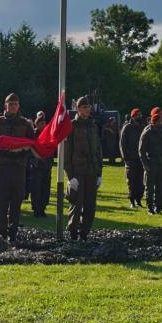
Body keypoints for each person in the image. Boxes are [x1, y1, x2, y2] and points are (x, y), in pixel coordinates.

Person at [0, 93, 34, 242]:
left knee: (17, 199)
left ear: (19, 106)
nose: (13, 106)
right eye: (10, 104)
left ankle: (13, 232)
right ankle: (1, 231)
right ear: (5, 105)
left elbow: (33, 145)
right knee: (0, 199)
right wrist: (2, 149)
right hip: (2, 166)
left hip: (18, 166)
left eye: (15, 104)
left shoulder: (25, 124)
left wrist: (21, 151)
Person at [64, 96, 103, 240]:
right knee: (76, 204)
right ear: (78, 109)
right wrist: (70, 176)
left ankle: (84, 233)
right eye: (84, 107)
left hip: (91, 171)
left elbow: (98, 151)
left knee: (90, 206)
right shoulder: (71, 126)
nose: (88, 109)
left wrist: (99, 173)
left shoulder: (93, 126)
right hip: (78, 172)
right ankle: (73, 233)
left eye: (88, 107)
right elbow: (67, 154)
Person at [138, 107, 162, 215]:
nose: (160, 123)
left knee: (161, 187)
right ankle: (150, 207)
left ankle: (158, 206)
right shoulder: (147, 133)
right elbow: (141, 151)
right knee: (149, 187)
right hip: (151, 162)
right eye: (158, 121)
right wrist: (145, 164)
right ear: (153, 122)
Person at [119, 109, 145, 208]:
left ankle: (139, 200)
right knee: (131, 180)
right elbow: (122, 143)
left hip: (141, 158)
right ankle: (132, 200)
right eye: (137, 115)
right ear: (133, 116)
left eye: (140, 114)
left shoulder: (142, 127)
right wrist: (125, 157)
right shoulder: (127, 127)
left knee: (141, 181)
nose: (139, 116)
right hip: (131, 158)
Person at [29, 113, 53, 218]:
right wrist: (36, 161)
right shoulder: (33, 135)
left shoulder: (49, 134)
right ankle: (36, 209)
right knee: (36, 189)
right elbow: (30, 149)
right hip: (36, 166)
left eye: (44, 123)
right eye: (41, 123)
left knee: (45, 189)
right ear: (36, 124)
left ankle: (42, 208)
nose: (43, 125)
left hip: (46, 165)